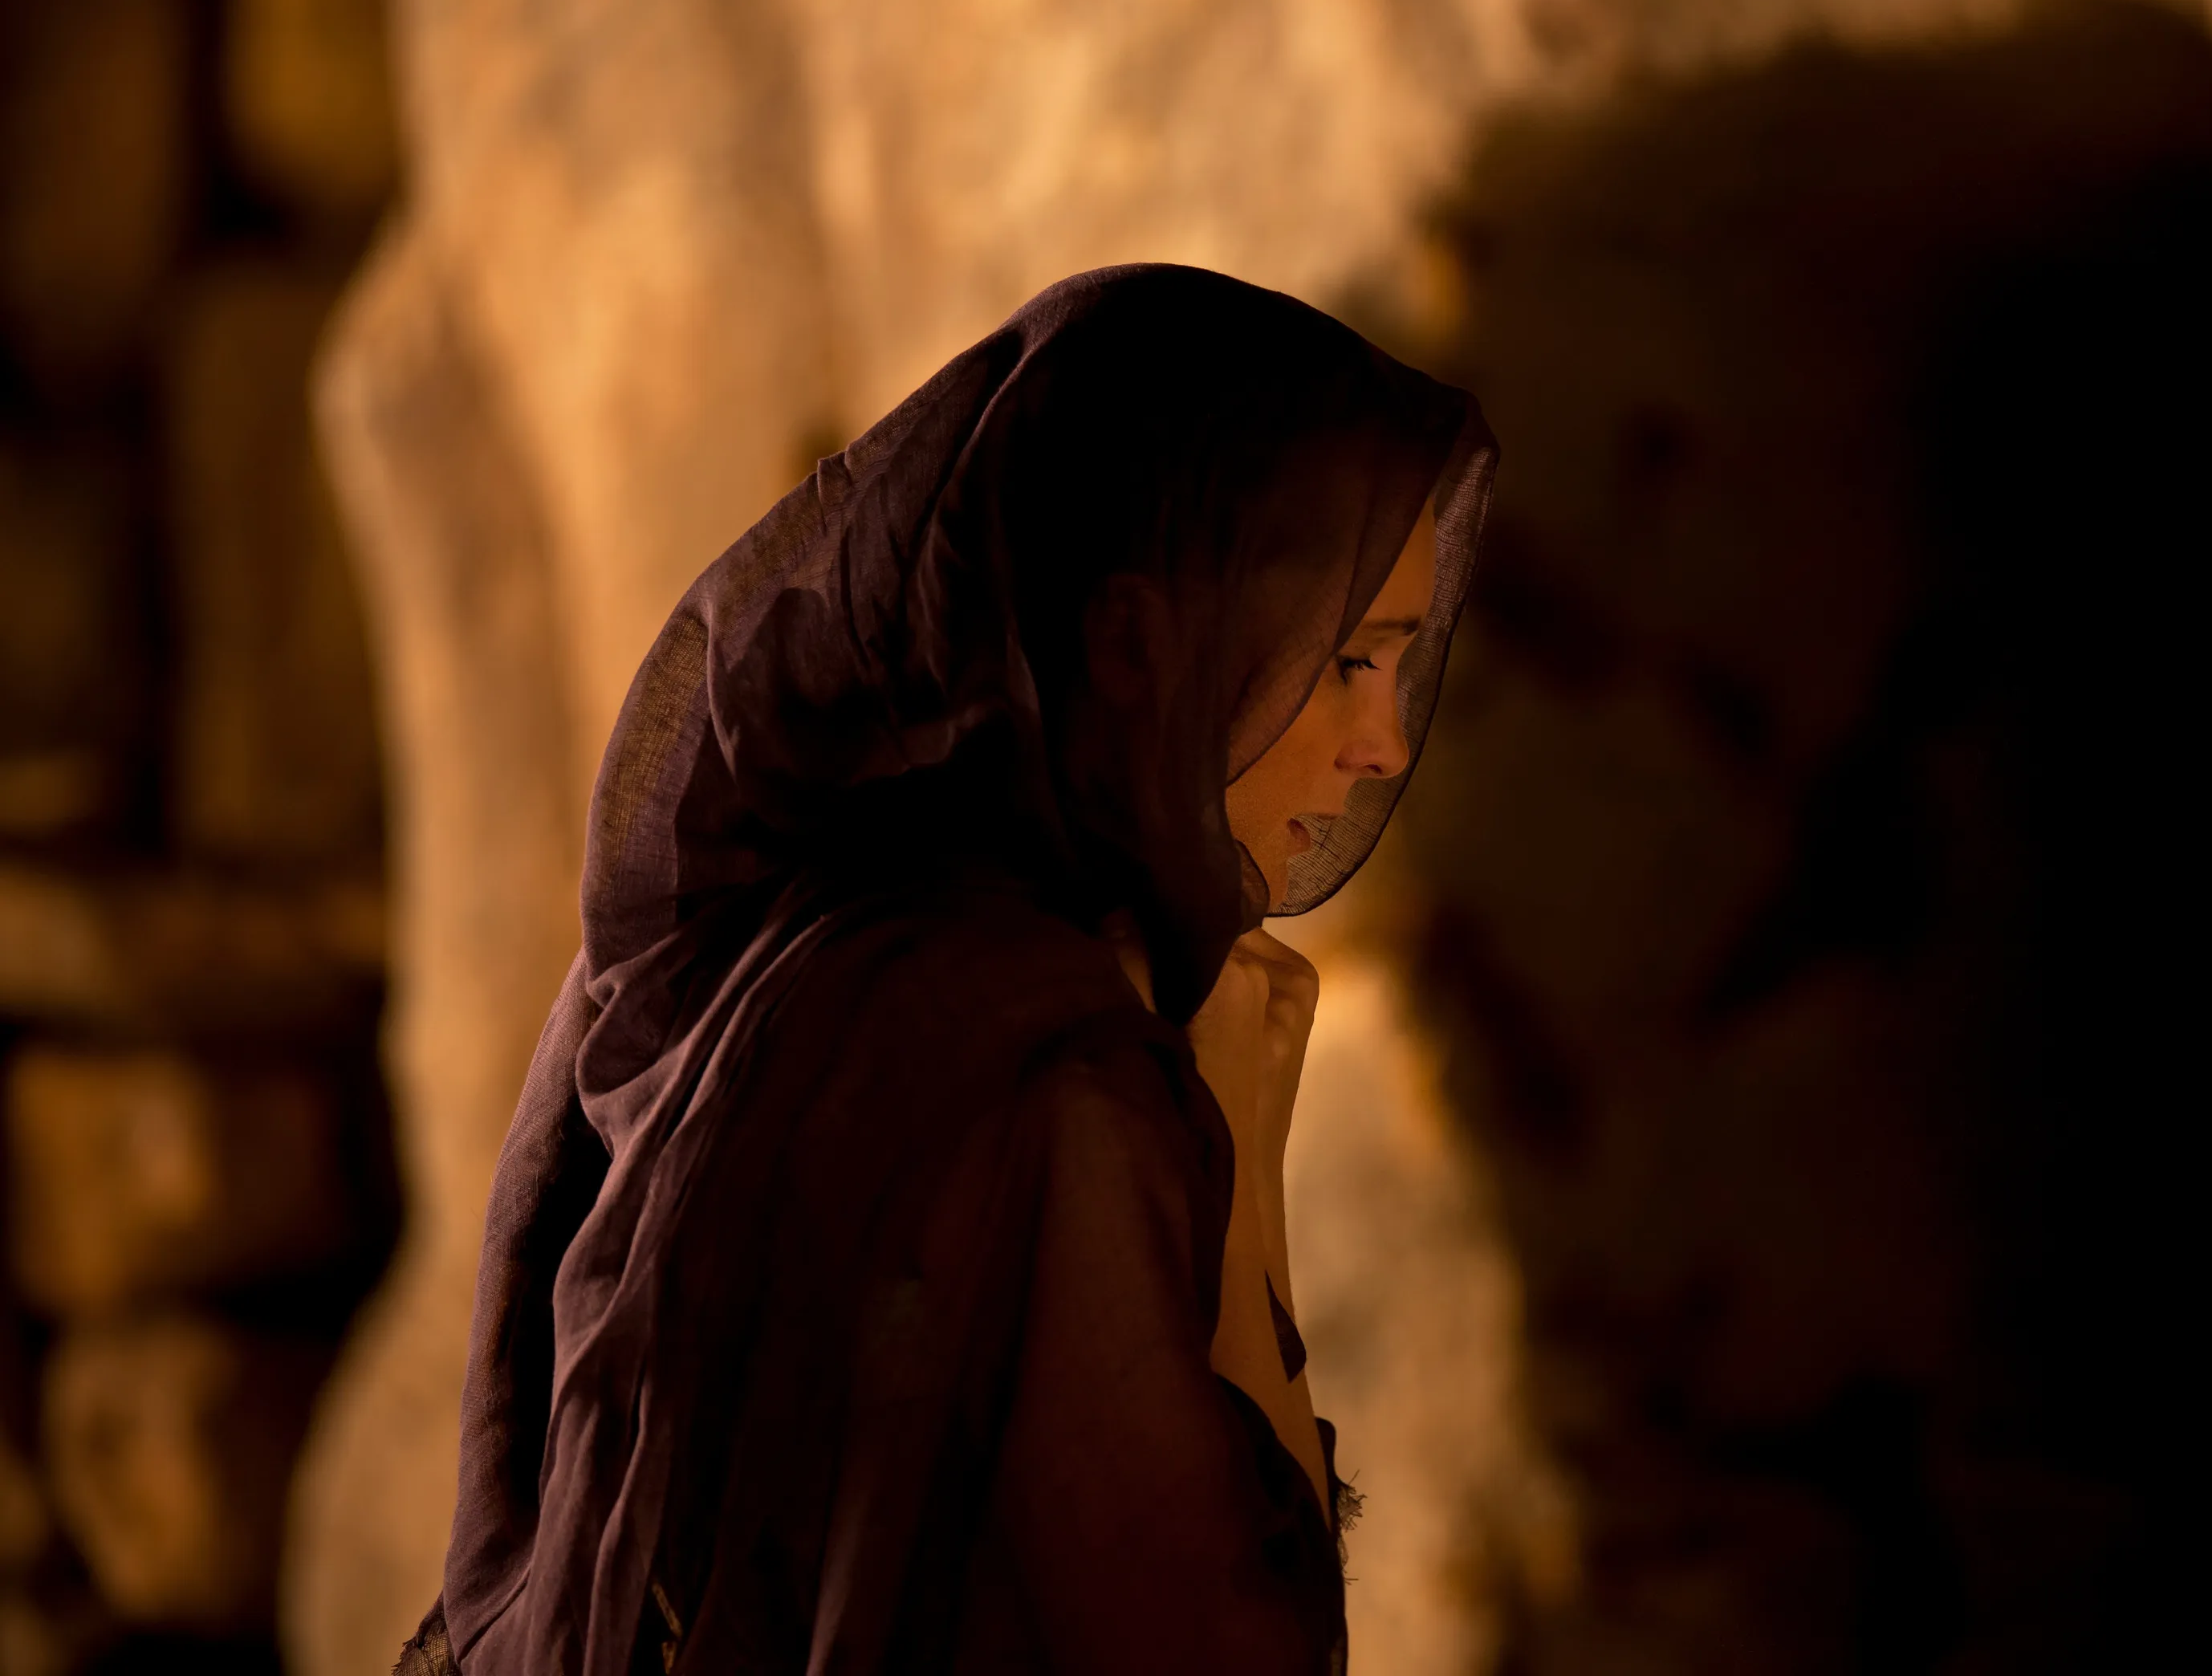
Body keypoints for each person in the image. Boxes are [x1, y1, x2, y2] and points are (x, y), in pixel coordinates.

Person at [394, 264, 1494, 1676]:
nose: (1385, 745)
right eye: (1351, 660)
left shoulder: (800, 952)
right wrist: (1246, 1175)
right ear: (1138, 645)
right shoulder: (1055, 1086)